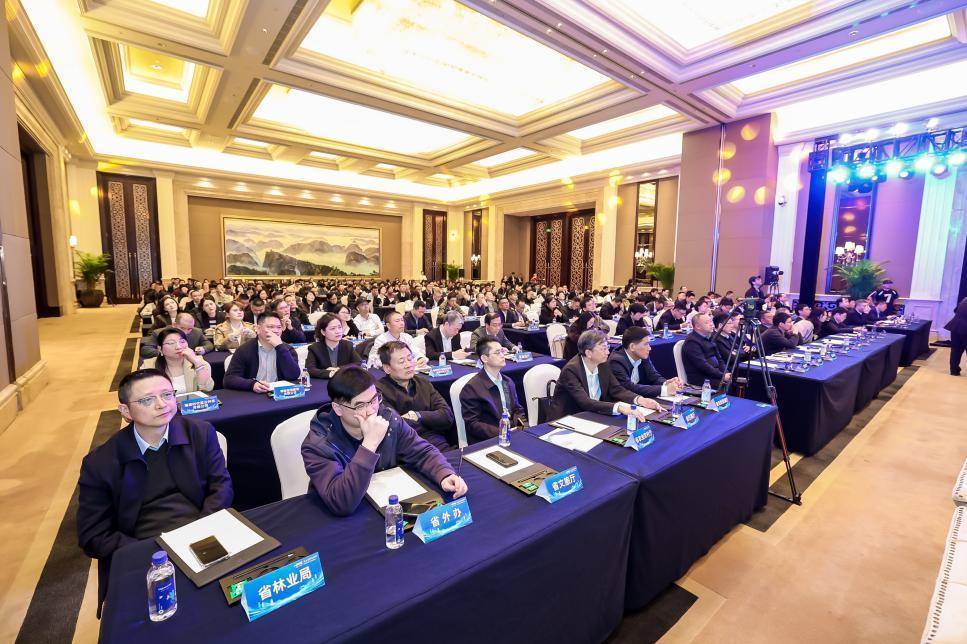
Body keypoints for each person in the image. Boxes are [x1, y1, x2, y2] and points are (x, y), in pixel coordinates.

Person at [77, 369, 232, 616]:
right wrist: (150, 552)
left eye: (167, 395)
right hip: (144, 554)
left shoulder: (200, 432)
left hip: (202, 536)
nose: (162, 405)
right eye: (147, 400)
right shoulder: (101, 462)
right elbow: (93, 536)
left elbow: (221, 486)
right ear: (126, 411)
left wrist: (201, 531)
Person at [301, 367, 467, 516]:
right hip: (345, 517)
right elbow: (342, 502)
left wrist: (444, 474)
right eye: (360, 406)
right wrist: (369, 444)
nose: (372, 410)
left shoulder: (387, 417)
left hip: (386, 504)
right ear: (338, 408)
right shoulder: (317, 445)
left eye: (374, 399)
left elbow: (422, 452)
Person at [553, 330, 662, 419]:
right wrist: (619, 407)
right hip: (568, 418)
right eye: (603, 349)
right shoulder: (571, 370)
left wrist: (640, 400)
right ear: (588, 353)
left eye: (607, 347)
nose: (608, 352)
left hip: (593, 415)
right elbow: (585, 402)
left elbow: (617, 389)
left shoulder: (603, 364)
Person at [375, 341, 455, 450]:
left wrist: (417, 415)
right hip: (406, 450)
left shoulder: (423, 383)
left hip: (438, 445)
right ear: (387, 368)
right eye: (401, 362)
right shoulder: (379, 391)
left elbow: (447, 416)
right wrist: (432, 419)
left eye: (410, 359)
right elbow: (396, 427)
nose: (408, 365)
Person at [459, 337, 528, 443]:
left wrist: (522, 428)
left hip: (512, 435)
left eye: (502, 351)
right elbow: (473, 424)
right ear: (484, 358)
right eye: (497, 352)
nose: (502, 355)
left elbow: (517, 410)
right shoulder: (471, 388)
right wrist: (503, 432)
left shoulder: (507, 381)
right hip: (489, 440)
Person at [223, 313, 302, 392]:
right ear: (258, 329)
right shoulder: (244, 350)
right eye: (270, 327)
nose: (276, 331)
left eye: (279, 327)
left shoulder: (287, 349)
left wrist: (280, 347)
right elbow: (229, 379)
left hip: (279, 393)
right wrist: (252, 384)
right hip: (253, 394)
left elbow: (293, 375)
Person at [607, 327, 683, 398]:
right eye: (646, 344)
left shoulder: (642, 355)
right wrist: (665, 389)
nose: (649, 348)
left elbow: (653, 377)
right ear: (632, 347)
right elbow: (629, 388)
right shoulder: (616, 361)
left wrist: (666, 383)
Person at [141, 327, 214, 393]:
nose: (178, 347)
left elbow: (207, 389)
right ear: (160, 349)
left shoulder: (199, 362)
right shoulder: (148, 366)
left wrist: (197, 363)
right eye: (171, 343)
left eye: (182, 342)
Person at [305, 313, 362, 379]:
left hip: (345, 381)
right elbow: (310, 370)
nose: (338, 331)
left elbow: (358, 363)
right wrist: (329, 373)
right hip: (323, 382)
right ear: (323, 332)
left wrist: (339, 369)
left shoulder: (347, 345)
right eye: (333, 328)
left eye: (339, 327)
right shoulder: (314, 348)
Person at [681, 313, 731, 388]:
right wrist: (722, 376)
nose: (711, 324)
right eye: (707, 322)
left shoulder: (709, 337)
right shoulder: (692, 342)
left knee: (736, 380)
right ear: (698, 326)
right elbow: (703, 366)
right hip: (701, 379)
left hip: (714, 374)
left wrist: (726, 373)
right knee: (731, 386)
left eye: (711, 321)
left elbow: (719, 359)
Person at [140, 312, 213, 358]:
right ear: (174, 325)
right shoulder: (158, 333)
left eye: (189, 329)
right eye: (182, 328)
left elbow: (208, 344)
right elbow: (145, 350)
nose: (185, 332)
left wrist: (203, 349)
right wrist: (165, 352)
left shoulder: (197, 332)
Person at [944, 296, 967, 376]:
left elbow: (955, 310)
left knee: (956, 349)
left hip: (955, 326)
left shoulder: (965, 299)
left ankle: (954, 370)